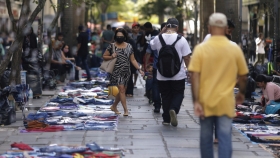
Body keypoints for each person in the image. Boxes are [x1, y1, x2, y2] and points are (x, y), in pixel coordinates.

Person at [188, 13, 248, 158]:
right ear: (226, 29)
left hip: (205, 101)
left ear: (209, 28)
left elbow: (194, 76)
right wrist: (241, 94)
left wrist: (196, 100)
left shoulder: (201, 49)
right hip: (225, 102)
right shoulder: (234, 48)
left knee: (205, 137)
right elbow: (243, 75)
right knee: (225, 136)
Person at [150, 18, 191, 126]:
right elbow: (186, 57)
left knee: (165, 95)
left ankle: (166, 119)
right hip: (178, 74)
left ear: (166, 26)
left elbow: (151, 45)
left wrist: (161, 32)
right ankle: (173, 109)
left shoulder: (158, 38)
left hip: (161, 74)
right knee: (178, 94)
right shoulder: (181, 39)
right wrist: (190, 71)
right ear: (177, 27)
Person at [103, 28, 144, 116]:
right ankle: (126, 110)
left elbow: (132, 60)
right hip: (116, 71)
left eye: (121, 36)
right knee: (121, 90)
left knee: (123, 91)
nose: (119, 38)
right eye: (117, 36)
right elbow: (104, 56)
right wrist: (111, 56)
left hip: (126, 71)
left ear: (124, 37)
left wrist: (139, 69)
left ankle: (114, 106)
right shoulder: (112, 46)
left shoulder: (129, 46)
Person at [147, 22, 166, 113]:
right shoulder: (175, 39)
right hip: (170, 68)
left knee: (156, 86)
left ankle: (157, 106)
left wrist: (146, 64)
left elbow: (148, 52)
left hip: (156, 66)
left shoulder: (154, 38)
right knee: (167, 86)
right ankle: (168, 106)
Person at [129, 22, 143, 87]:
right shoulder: (129, 36)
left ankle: (135, 83)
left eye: (137, 28)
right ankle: (131, 82)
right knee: (131, 69)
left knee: (137, 68)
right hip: (131, 54)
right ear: (132, 28)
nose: (136, 29)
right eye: (135, 28)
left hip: (139, 54)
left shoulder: (141, 36)